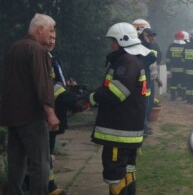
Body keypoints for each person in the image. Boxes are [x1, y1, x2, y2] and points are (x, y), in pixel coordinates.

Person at [0, 13, 60, 195]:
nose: (51, 36)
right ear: (40, 29)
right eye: (50, 31)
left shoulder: (15, 48)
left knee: (16, 161)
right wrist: (50, 113)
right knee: (40, 162)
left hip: (13, 116)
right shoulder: (38, 51)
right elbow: (42, 84)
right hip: (32, 117)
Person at [88, 22, 150, 195]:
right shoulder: (134, 59)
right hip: (128, 126)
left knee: (115, 174)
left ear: (123, 40)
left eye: (113, 41)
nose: (112, 45)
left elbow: (117, 92)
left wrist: (92, 97)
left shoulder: (127, 61)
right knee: (128, 169)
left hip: (119, 130)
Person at [45, 35, 89, 195]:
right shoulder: (41, 57)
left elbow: (57, 81)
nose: (51, 41)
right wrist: (74, 100)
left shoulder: (53, 56)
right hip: (47, 111)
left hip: (56, 108)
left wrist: (68, 86)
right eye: (48, 37)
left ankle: (39, 183)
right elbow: (50, 86)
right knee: (46, 151)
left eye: (54, 37)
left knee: (48, 149)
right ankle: (49, 187)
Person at [131, 19, 157, 137]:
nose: (151, 37)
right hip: (141, 79)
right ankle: (141, 128)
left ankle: (144, 126)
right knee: (142, 105)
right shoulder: (137, 46)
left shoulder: (146, 45)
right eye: (148, 34)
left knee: (147, 104)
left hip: (148, 78)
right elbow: (149, 59)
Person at [165, 30, 187, 101]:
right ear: (183, 37)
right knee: (183, 83)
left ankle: (173, 97)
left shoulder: (171, 46)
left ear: (175, 37)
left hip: (173, 69)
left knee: (173, 83)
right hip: (183, 69)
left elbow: (168, 58)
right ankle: (183, 97)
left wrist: (168, 67)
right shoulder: (186, 46)